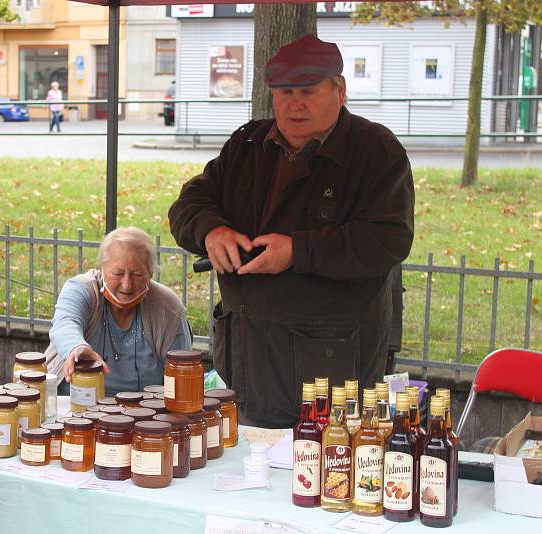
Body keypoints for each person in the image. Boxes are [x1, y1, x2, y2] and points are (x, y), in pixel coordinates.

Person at [168, 35, 414, 428]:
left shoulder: (375, 151)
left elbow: (388, 239)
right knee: (248, 465)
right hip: (246, 358)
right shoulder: (248, 144)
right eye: (284, 92)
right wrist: (211, 231)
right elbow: (189, 203)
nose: (294, 104)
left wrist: (298, 251)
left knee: (327, 471)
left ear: (340, 90)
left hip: (330, 367)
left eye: (308, 91)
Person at [47, 227, 191, 395]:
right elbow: (64, 323)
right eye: (117, 273)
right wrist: (76, 348)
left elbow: (183, 374)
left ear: (150, 273)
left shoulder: (168, 308)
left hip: (145, 413)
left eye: (137, 274)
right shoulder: (81, 289)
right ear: (101, 268)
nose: (127, 284)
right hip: (75, 405)